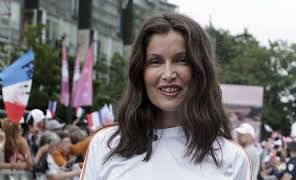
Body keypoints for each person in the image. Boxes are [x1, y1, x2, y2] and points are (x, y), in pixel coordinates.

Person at [80, 13, 251, 180]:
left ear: (201, 70)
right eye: (156, 61)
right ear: (140, 71)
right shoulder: (105, 145)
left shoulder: (232, 158)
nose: (168, 74)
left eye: (181, 60)